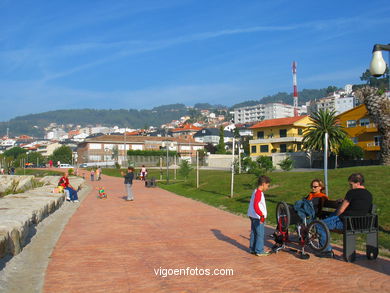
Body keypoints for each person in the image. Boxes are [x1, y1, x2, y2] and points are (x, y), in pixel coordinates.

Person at [318, 173, 373, 258]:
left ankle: (327, 251)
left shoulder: (352, 192)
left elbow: (341, 210)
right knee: (327, 220)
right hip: (361, 223)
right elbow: (358, 204)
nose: (350, 186)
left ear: (358, 183)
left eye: (351, 184)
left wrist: (335, 217)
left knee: (319, 225)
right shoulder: (369, 194)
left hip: (346, 223)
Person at [247, 175, 271, 256]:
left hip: (253, 215)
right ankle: (259, 250)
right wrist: (261, 215)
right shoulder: (259, 193)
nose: (267, 188)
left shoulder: (255, 191)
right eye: (267, 185)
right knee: (260, 234)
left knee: (254, 232)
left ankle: (252, 249)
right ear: (263, 184)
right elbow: (255, 205)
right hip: (258, 217)